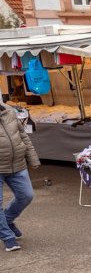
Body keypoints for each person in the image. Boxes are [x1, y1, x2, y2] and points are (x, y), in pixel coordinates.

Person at [0, 101, 39, 252]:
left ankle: (7, 219)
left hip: (17, 164)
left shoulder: (9, 111)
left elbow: (23, 136)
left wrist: (32, 157)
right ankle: (7, 238)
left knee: (26, 195)